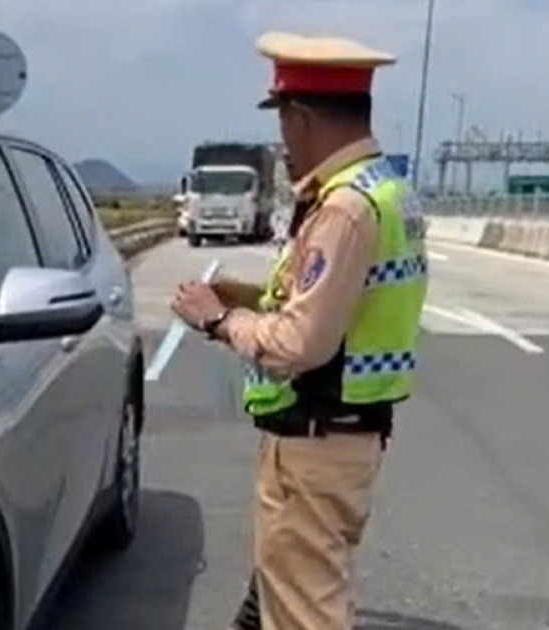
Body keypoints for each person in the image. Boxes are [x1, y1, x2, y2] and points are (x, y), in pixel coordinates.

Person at [170, 32, 429, 630]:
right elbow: (337, 311)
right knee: (279, 602)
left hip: (315, 441)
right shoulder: (385, 191)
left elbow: (299, 346)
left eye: (284, 121)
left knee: (305, 616)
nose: (283, 141)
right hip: (342, 438)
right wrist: (253, 298)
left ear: (302, 117)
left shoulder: (344, 209)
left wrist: (217, 319)